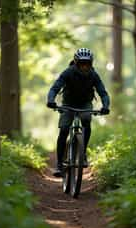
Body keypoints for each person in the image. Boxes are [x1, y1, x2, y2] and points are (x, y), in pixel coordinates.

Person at [47, 48, 110, 177]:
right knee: (64, 129)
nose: (84, 67)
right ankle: (59, 164)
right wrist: (51, 100)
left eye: (87, 64)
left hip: (85, 104)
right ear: (76, 63)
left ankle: (83, 152)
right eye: (82, 63)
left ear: (91, 64)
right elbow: (55, 88)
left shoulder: (94, 75)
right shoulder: (68, 73)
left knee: (86, 121)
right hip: (68, 104)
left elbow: (103, 93)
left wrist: (105, 106)